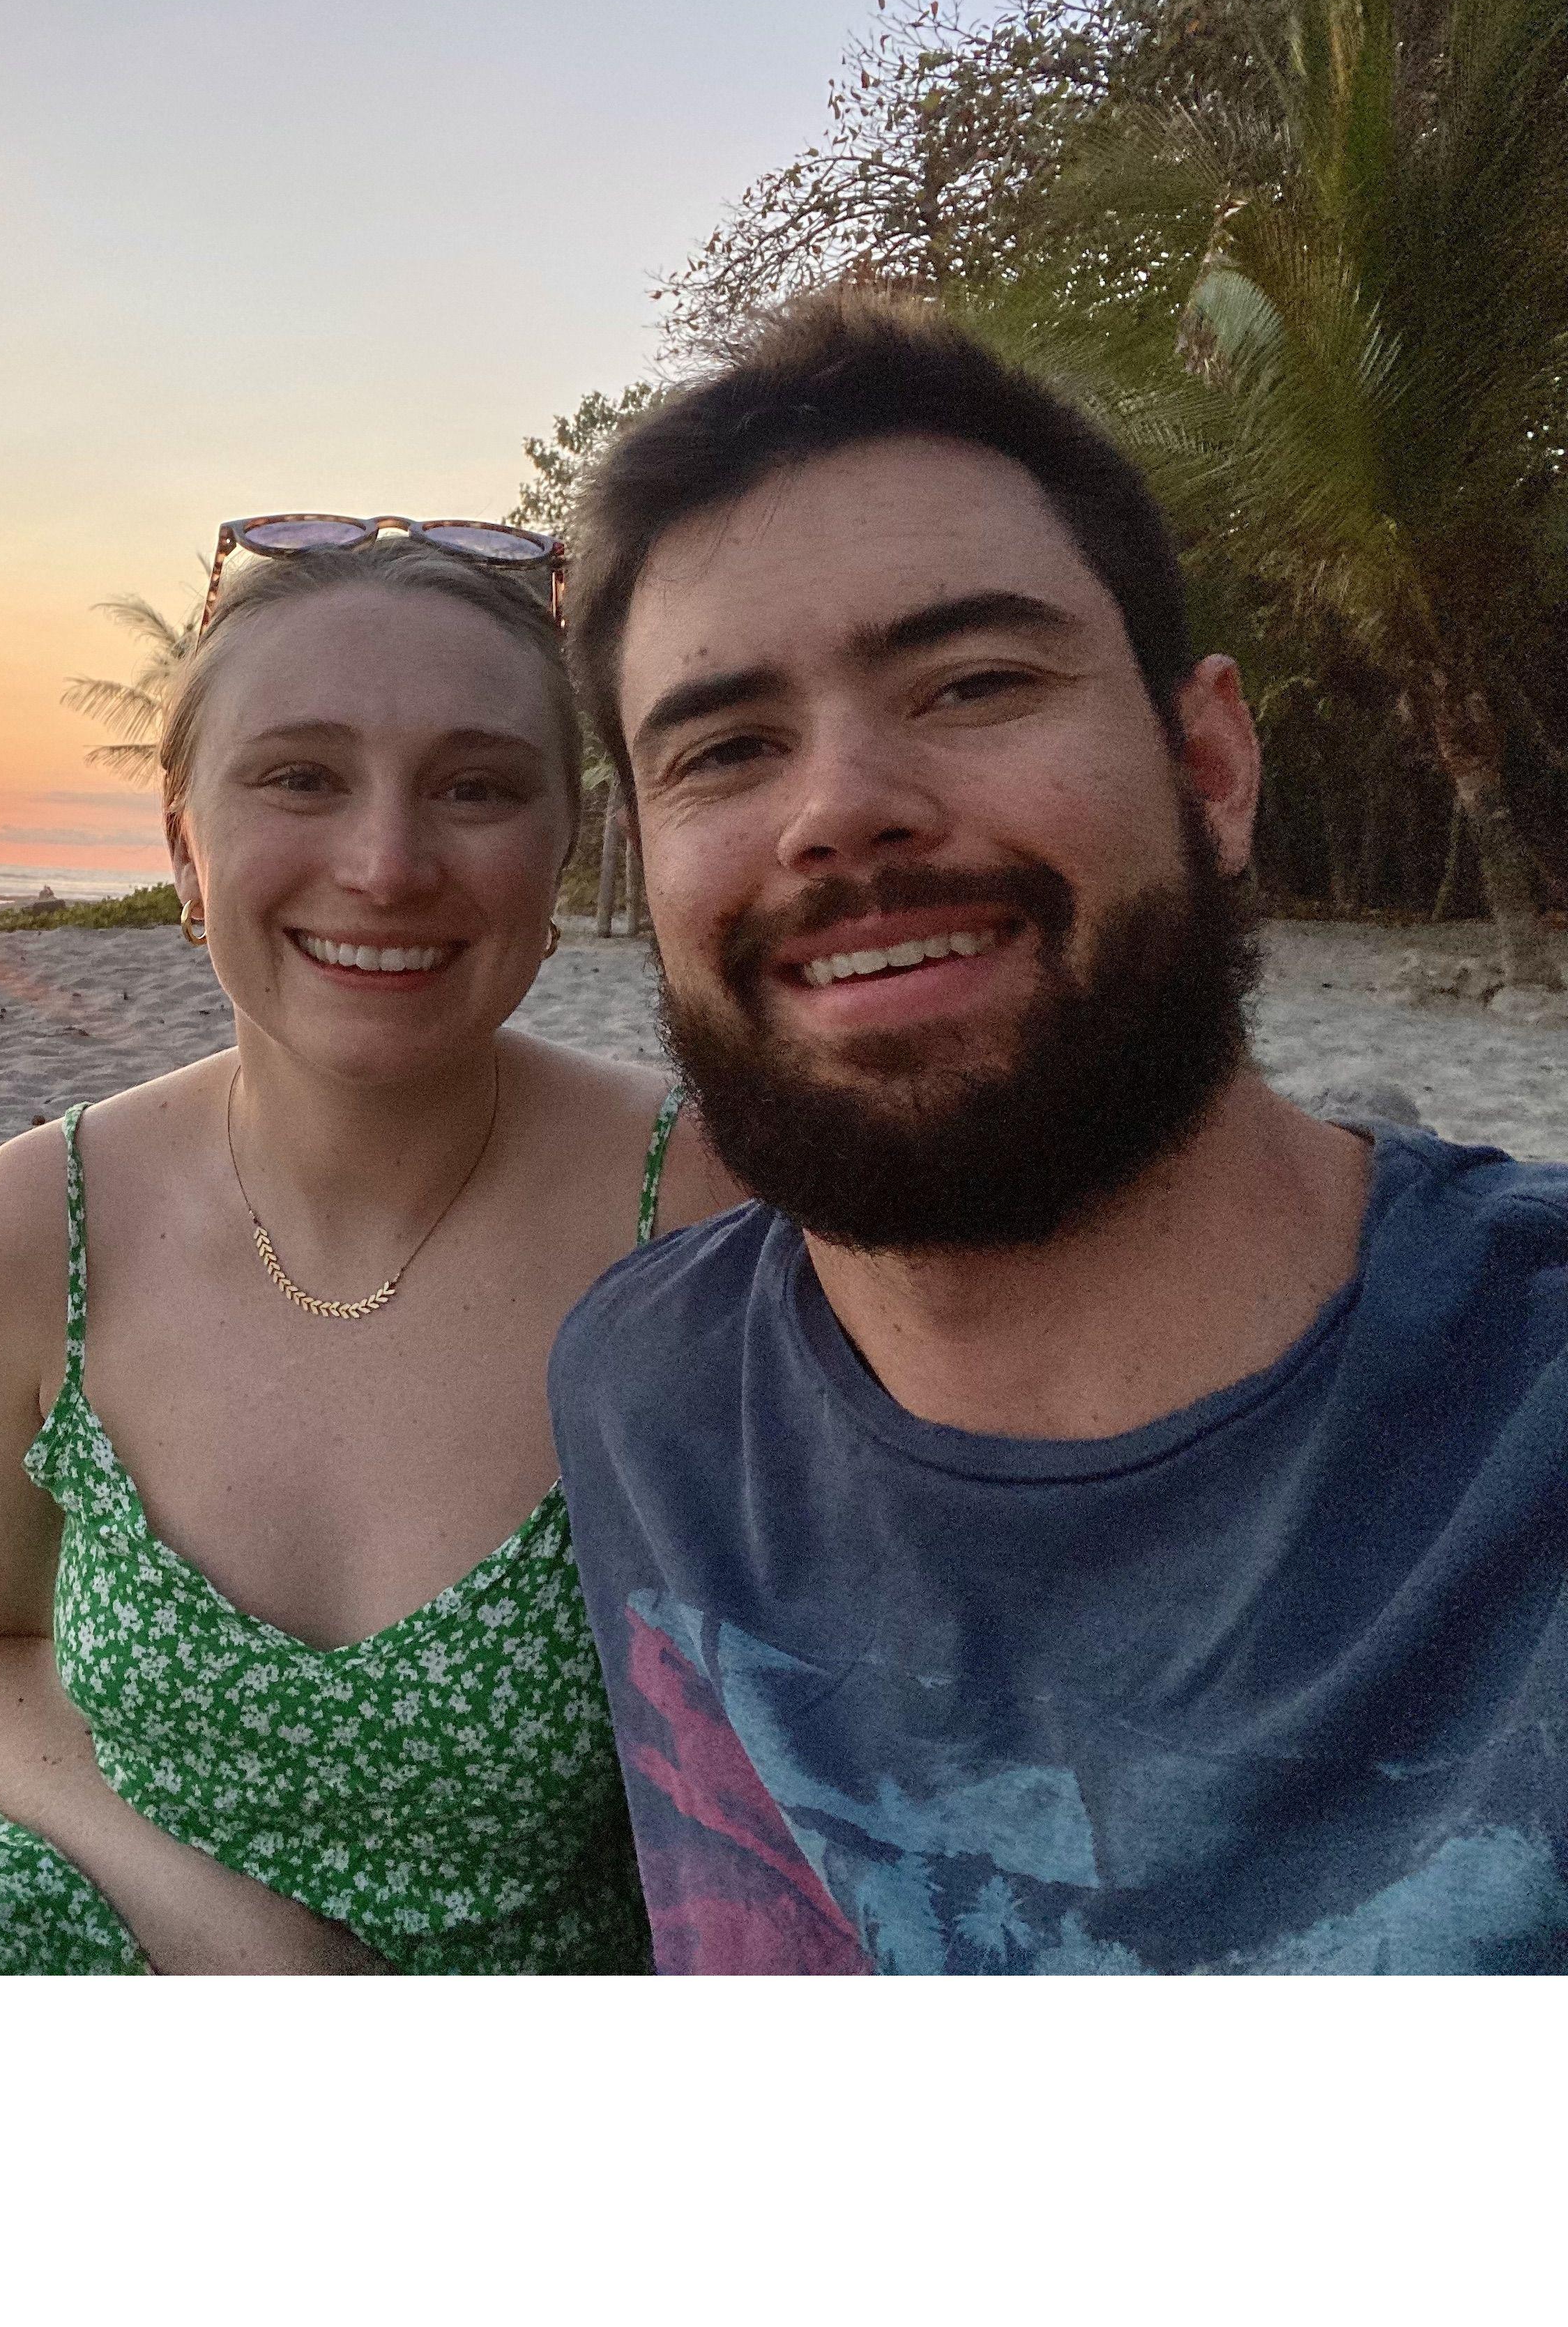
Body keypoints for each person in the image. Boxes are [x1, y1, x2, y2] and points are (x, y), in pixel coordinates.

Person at [548, 289, 1568, 1974]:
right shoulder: (646, 1396)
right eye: (726, 749)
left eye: (974, 683)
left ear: (1209, 768)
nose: (839, 809)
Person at [0, 522, 733, 1973]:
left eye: (477, 787)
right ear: (184, 843)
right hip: (88, 1900)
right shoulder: (40, 1221)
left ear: (567, 844)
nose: (385, 864)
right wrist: (229, 1929)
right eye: (300, 777)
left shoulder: (705, 1218)